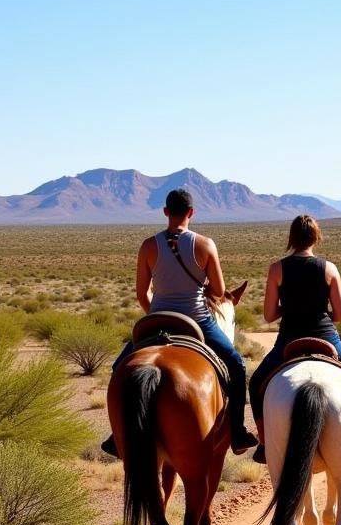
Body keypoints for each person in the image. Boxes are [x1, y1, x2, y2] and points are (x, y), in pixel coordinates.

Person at [102, 188, 257, 456]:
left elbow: (141, 293)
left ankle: (118, 436)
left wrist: (156, 313)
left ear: (165, 212)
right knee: (236, 364)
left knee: (119, 367)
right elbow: (219, 293)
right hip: (197, 320)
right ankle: (238, 432)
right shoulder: (206, 245)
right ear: (191, 213)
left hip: (158, 319)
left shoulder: (149, 246)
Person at [248, 214, 341, 464]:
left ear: (291, 238)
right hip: (326, 338)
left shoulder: (277, 269)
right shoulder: (328, 268)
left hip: (288, 340)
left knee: (257, 382)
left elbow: (269, 315)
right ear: (316, 237)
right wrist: (319, 310)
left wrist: (289, 308)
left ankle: (263, 442)